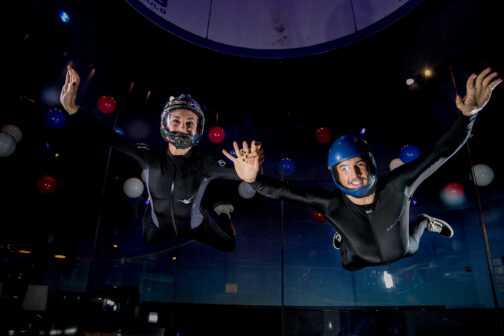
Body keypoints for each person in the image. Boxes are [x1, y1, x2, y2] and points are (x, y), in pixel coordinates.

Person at [225, 67, 501, 271]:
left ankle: (424, 222)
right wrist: (253, 179)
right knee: (349, 263)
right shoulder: (331, 203)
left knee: (409, 248)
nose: (354, 175)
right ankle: (344, 235)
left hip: (402, 246)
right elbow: (285, 192)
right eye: (344, 169)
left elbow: (440, 152)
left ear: (371, 165)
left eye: (359, 165)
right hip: (357, 255)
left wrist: (468, 115)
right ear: (335, 174)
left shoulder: (398, 184)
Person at [60, 65, 262, 252]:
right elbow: (110, 138)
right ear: (165, 125)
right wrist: (72, 110)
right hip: (157, 226)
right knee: (148, 239)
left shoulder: (204, 163)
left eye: (189, 123)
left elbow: (242, 173)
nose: (183, 128)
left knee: (229, 245)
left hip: (197, 224)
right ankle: (151, 204)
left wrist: (254, 166)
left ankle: (223, 212)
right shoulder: (149, 156)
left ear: (198, 129)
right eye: (176, 121)